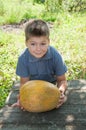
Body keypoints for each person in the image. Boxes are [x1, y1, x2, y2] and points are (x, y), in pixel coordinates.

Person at [12, 19, 67, 109]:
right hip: (32, 90)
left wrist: (60, 91)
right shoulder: (23, 59)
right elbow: (24, 84)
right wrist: (22, 99)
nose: (38, 49)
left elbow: (62, 80)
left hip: (51, 88)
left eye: (42, 44)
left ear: (48, 42)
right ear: (26, 43)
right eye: (33, 44)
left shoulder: (55, 55)